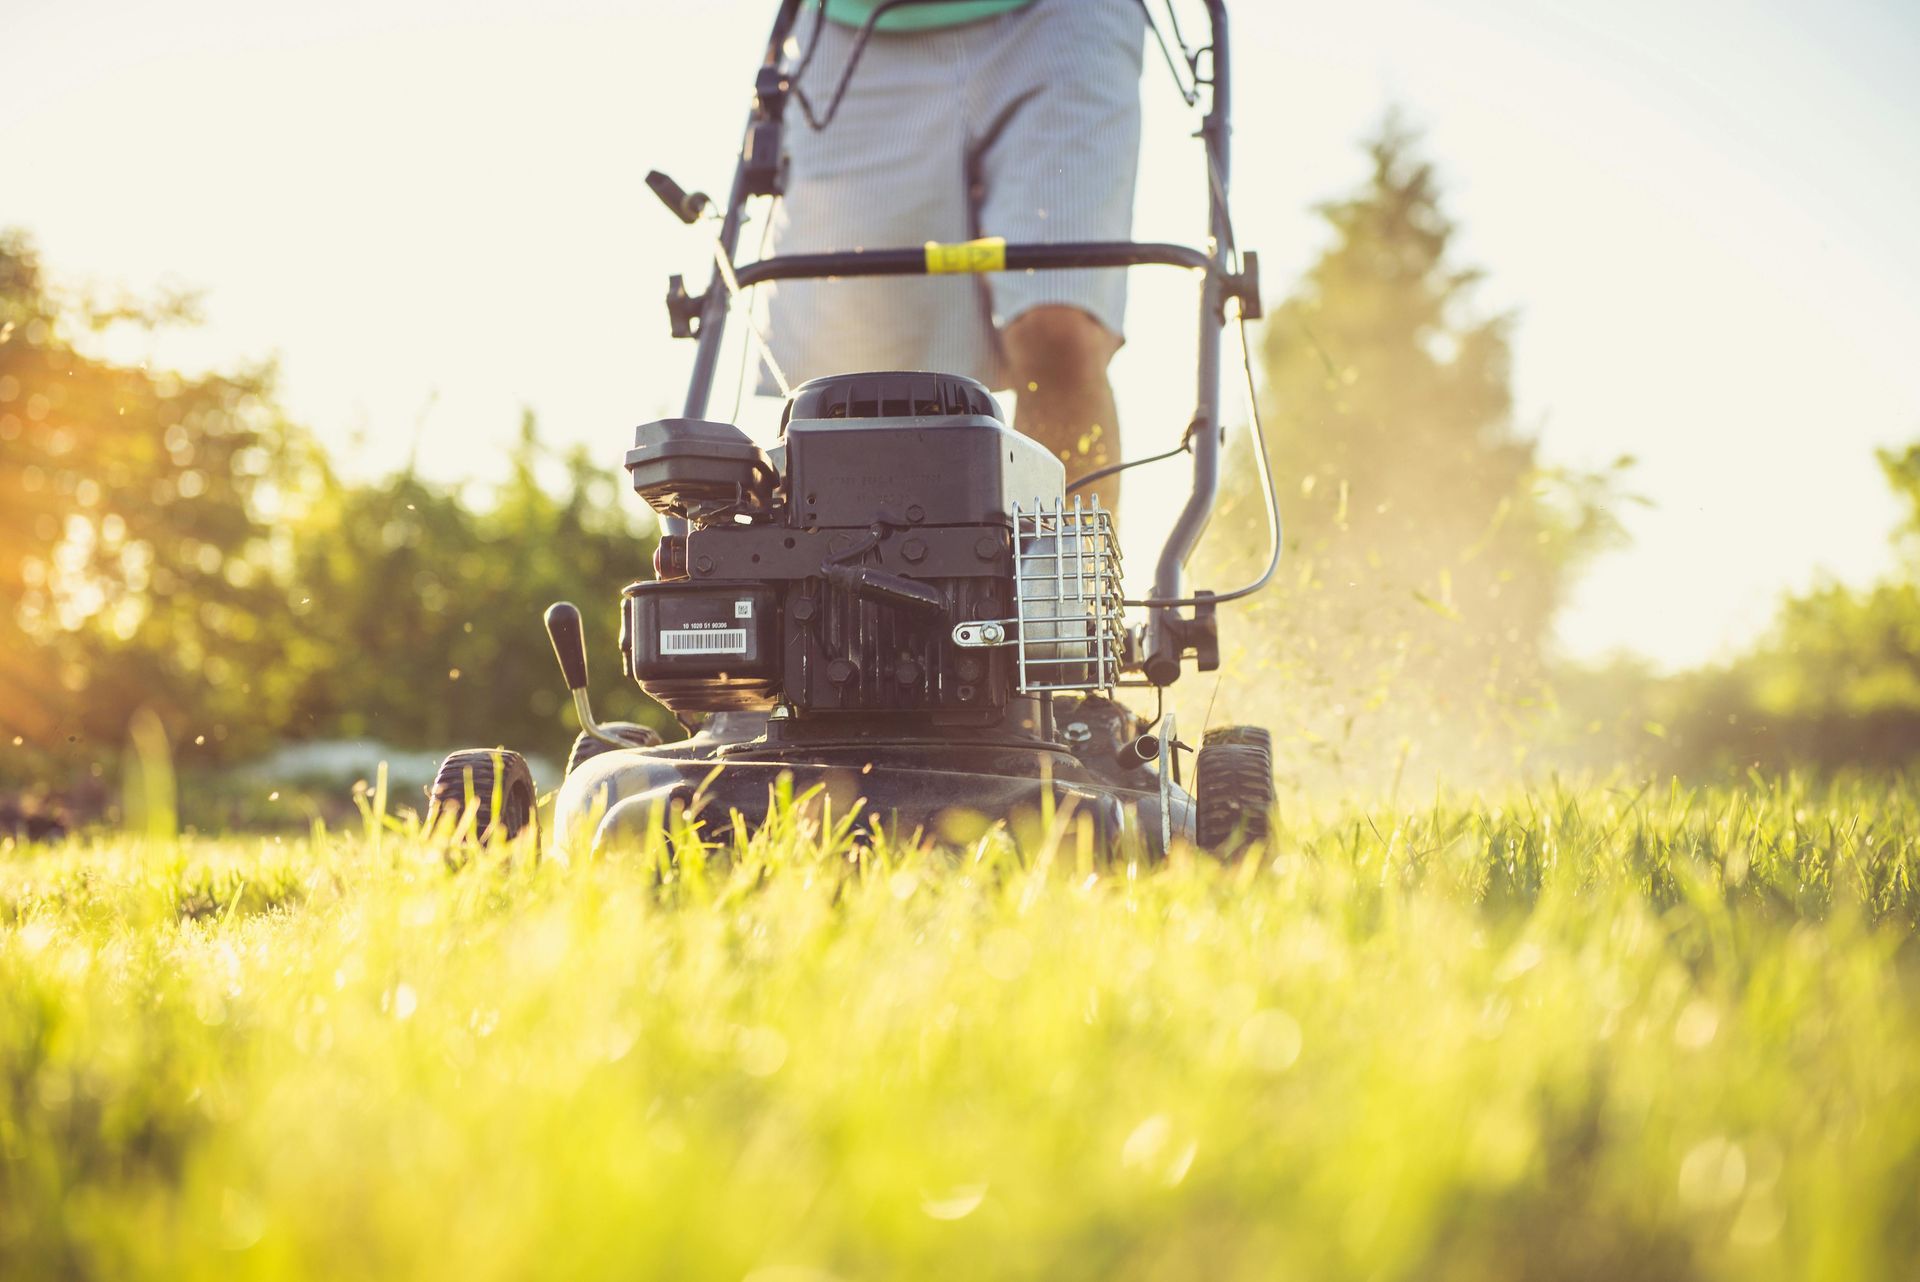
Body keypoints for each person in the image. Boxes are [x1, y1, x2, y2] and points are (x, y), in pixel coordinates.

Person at [766, 0, 1148, 515]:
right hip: (857, 33)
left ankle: (1062, 590)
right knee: (856, 391)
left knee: (1061, 328)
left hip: (1062, 19)